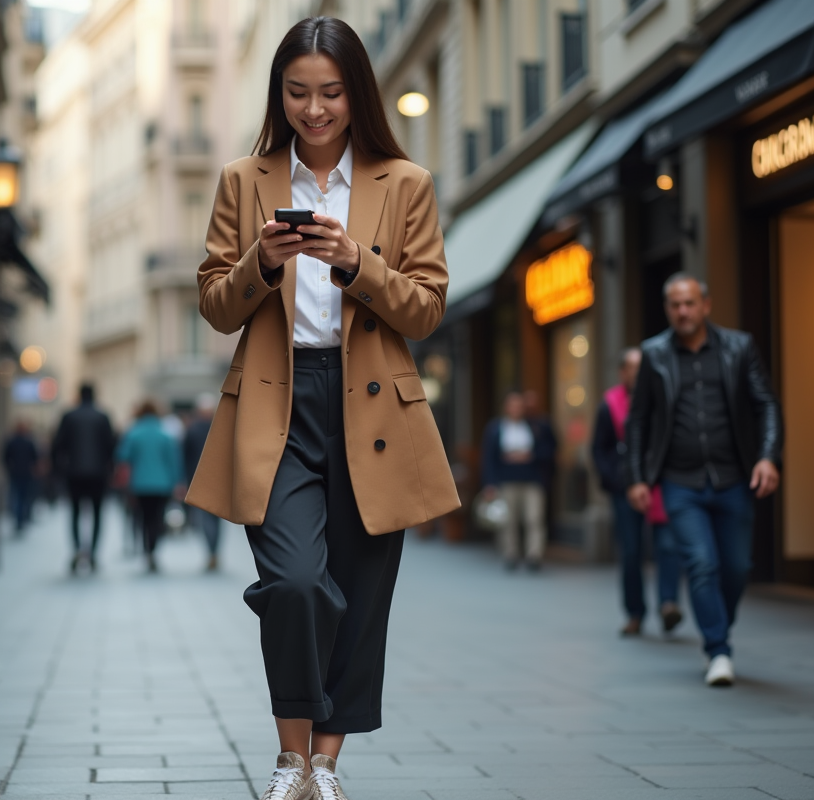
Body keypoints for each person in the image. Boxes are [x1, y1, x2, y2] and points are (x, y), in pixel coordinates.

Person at [184, 17, 459, 800]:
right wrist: (260, 264)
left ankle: (325, 766)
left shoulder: (405, 183)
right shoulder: (244, 179)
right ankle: (289, 757)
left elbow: (426, 310)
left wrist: (357, 264)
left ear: (356, 93)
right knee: (297, 584)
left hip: (374, 410)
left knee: (361, 595)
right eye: (298, 92)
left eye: (331, 92)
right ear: (280, 94)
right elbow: (214, 305)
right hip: (276, 408)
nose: (313, 109)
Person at [626, 273, 782, 687]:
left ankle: (716, 626)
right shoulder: (654, 354)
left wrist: (768, 458)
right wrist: (638, 478)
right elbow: (638, 421)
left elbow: (766, 404)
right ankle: (718, 650)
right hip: (679, 481)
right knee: (701, 563)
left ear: (706, 305)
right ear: (667, 309)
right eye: (675, 304)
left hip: (734, 478)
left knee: (736, 567)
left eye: (690, 303)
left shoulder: (739, 347)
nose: (683, 311)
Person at [593, 348, 682, 637]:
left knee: (667, 546)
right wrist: (616, 479)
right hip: (625, 489)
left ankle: (668, 603)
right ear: (622, 372)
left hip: (661, 485)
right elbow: (599, 449)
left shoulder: (664, 399)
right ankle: (635, 613)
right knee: (631, 551)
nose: (639, 372)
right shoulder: (609, 404)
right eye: (633, 367)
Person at [478, 391, 556, 571]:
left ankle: (534, 556)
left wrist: (531, 455)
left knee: (534, 518)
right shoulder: (495, 428)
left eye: (519, 405)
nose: (516, 409)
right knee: (508, 520)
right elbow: (488, 458)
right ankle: (510, 554)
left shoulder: (536, 426)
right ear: (506, 407)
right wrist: (489, 484)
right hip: (506, 480)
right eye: (512, 405)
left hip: (532, 479)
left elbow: (549, 450)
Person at [51, 384, 115, 574]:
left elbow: (57, 445)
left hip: (74, 473)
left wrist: (58, 470)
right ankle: (93, 553)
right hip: (98, 474)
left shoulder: (69, 416)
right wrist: (109, 469)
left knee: (75, 513)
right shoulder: (102, 417)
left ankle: (77, 550)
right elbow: (111, 446)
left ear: (79, 395)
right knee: (97, 514)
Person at [115, 400, 181, 573]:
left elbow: (122, 456)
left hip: (140, 484)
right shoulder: (166, 434)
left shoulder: (133, 433)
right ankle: (153, 549)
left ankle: (147, 550)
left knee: (143, 518)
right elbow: (174, 461)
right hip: (163, 484)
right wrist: (178, 482)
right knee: (158, 517)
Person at [183, 393, 222, 571]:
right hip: (218, 480)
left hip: (199, 480)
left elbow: (185, 456)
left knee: (205, 518)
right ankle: (214, 552)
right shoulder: (220, 427)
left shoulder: (192, 429)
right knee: (216, 519)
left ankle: (211, 551)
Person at [2, 420, 40, 535]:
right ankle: (22, 519)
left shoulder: (12, 442)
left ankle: (20, 520)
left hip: (17, 473)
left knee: (18, 497)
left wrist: (10, 468)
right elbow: (35, 458)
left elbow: (5, 457)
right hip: (24, 473)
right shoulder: (28, 442)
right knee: (23, 497)